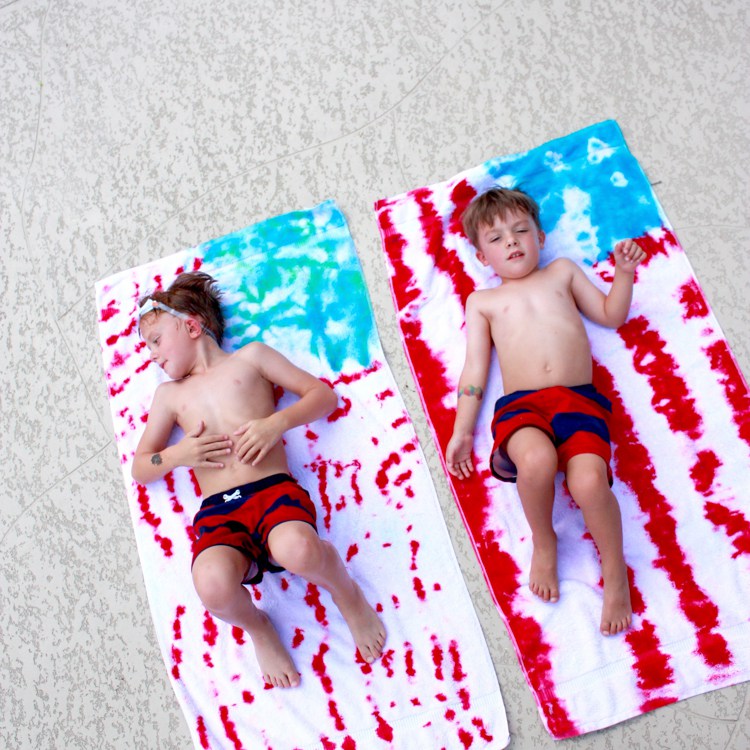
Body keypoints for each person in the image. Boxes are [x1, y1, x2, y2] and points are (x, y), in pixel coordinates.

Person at [131, 271, 386, 687]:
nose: (152, 356)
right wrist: (178, 454)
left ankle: (346, 591)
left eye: (156, 341)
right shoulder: (170, 396)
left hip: (271, 493)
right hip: (219, 513)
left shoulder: (250, 359)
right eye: (148, 349)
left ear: (192, 325)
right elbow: (142, 468)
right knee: (211, 586)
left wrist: (274, 424)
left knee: (299, 550)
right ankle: (260, 628)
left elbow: (322, 395)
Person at [446, 187, 644, 636]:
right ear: (481, 257)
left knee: (590, 480)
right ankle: (545, 539)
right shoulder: (484, 301)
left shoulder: (562, 272)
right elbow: (474, 369)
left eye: (520, 231)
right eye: (495, 239)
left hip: (579, 401)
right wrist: (462, 430)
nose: (511, 242)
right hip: (522, 407)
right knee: (535, 459)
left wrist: (625, 274)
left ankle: (615, 572)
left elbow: (612, 315)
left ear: (540, 235)